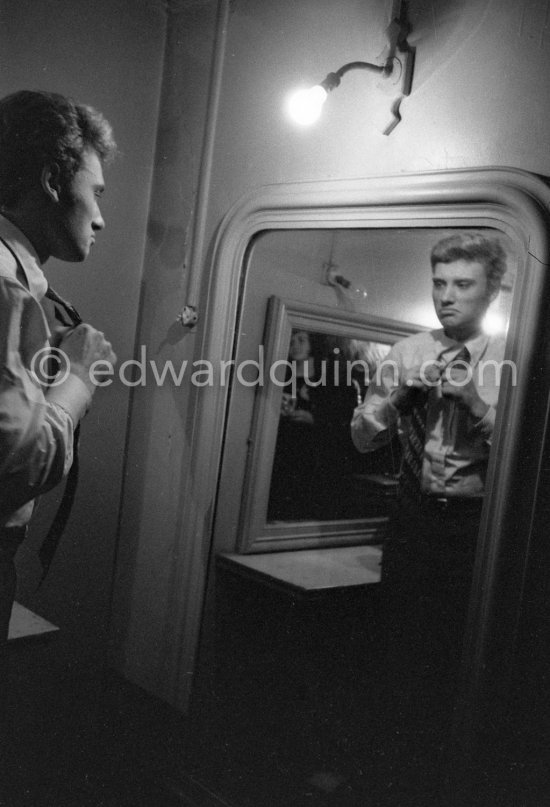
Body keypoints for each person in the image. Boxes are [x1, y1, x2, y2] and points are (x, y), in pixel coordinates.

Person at [350, 232, 508, 803]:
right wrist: (393, 405)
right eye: (439, 283)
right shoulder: (407, 353)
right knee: (396, 649)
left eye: (462, 284)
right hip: (412, 517)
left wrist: (475, 404)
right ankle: (388, 776)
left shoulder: (519, 358)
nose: (446, 296)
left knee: (459, 658)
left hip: (480, 529)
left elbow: (532, 455)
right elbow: (362, 439)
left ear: (493, 289)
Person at [0, 90, 118, 647]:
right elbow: (19, 469)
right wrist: (79, 376)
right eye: (94, 192)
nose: (100, 216)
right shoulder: (6, 287)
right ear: (52, 180)